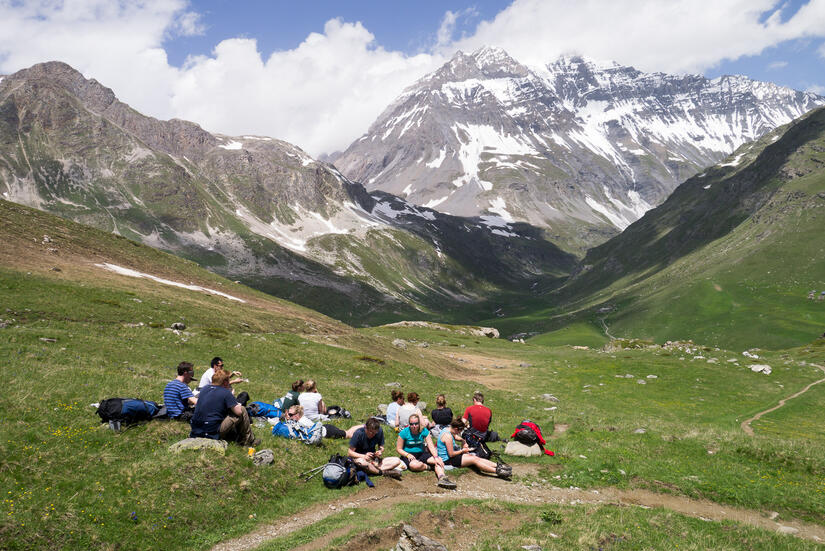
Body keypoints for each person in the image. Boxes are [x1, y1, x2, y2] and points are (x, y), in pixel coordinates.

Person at [190, 370, 259, 446]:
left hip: (196, 429)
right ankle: (249, 440)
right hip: (212, 431)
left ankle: (235, 435)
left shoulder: (204, 389)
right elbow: (238, 412)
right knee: (242, 409)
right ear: (225, 382)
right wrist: (231, 397)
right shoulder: (225, 392)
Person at [396, 414, 455, 488]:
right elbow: (399, 449)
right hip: (408, 455)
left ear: (419, 423)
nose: (414, 426)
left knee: (438, 460)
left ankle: (442, 478)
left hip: (422, 453)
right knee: (414, 465)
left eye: (416, 424)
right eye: (411, 424)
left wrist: (436, 457)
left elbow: (431, 446)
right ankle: (429, 467)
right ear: (409, 424)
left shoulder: (424, 431)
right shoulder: (403, 433)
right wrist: (407, 455)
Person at [438, 419, 511, 478]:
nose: (458, 434)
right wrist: (463, 450)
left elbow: (454, 435)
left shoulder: (448, 429)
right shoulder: (447, 437)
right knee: (474, 460)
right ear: (456, 428)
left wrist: (462, 440)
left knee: (474, 457)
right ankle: (497, 471)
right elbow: (451, 454)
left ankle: (498, 466)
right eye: (459, 432)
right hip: (448, 460)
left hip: (452, 457)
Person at [285, 405, 363, 440]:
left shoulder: (303, 422)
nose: (289, 416)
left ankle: (364, 426)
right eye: (288, 414)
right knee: (347, 432)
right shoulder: (300, 420)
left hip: (328, 432)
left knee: (348, 434)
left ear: (297, 415)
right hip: (326, 428)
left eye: (291, 414)